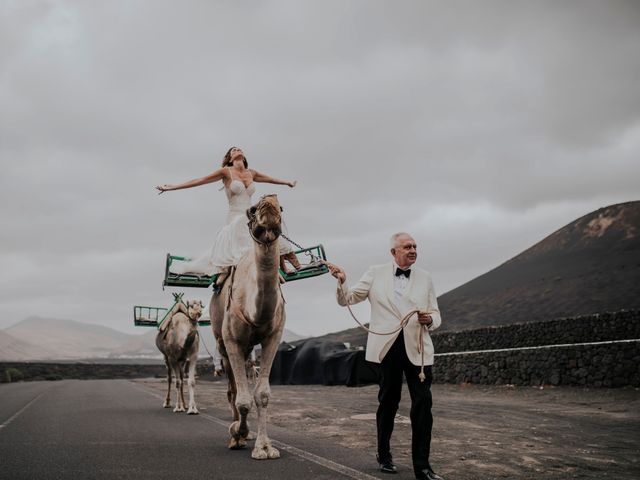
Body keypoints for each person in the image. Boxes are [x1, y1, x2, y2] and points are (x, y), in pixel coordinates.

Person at [327, 232, 443, 480]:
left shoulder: (425, 277)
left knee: (423, 406)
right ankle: (384, 454)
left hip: (418, 351)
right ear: (393, 252)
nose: (413, 250)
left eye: (415, 246)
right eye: (407, 247)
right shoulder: (374, 273)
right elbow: (347, 299)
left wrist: (429, 319)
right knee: (388, 403)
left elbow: (436, 313)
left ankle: (422, 467)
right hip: (386, 349)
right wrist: (342, 280)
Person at [156, 146, 301, 287]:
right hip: (235, 215)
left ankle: (283, 261)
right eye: (233, 150)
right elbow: (200, 180)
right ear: (230, 158)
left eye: (239, 149)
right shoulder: (226, 172)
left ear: (243, 156)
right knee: (239, 227)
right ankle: (226, 269)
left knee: (273, 219)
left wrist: (287, 182)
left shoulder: (252, 173)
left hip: (251, 214)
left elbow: (270, 179)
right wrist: (173, 187)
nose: (237, 150)